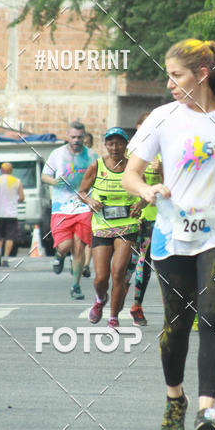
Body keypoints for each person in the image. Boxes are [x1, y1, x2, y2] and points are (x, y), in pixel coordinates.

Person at [123, 39, 215, 430]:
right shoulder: (162, 119)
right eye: (168, 75)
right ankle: (175, 398)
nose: (169, 84)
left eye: (176, 75)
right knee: (176, 324)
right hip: (173, 232)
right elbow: (131, 174)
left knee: (212, 315)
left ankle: (207, 412)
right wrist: (147, 191)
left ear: (202, 74)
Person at [79, 128, 142, 329]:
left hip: (127, 225)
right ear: (105, 145)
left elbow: (145, 191)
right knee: (101, 278)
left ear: (126, 145)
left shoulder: (133, 167)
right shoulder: (97, 166)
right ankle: (100, 299)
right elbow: (81, 191)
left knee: (118, 273)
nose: (115, 148)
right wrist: (90, 201)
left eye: (119, 143)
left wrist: (141, 203)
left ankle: (113, 318)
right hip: (102, 226)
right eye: (111, 144)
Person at [41, 121, 93, 300]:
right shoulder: (57, 154)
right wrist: (54, 181)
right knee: (65, 245)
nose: (76, 140)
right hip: (61, 207)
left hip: (83, 206)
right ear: (68, 136)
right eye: (73, 137)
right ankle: (60, 254)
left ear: (84, 137)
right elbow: (44, 176)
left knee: (79, 247)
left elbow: (98, 178)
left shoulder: (92, 156)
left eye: (79, 137)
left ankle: (75, 286)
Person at [129, 112, 162, 326]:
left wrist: (162, 170)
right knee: (142, 263)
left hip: (167, 216)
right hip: (141, 217)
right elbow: (127, 182)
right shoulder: (132, 152)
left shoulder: (166, 150)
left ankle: (183, 311)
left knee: (172, 266)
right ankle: (136, 305)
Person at [0, 162, 24, 265]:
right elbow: (21, 197)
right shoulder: (17, 181)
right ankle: (5, 258)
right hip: (11, 214)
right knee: (10, 237)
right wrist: (15, 200)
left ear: (1, 170)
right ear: (11, 171)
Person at [82, 131, 98, 278]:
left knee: (89, 237)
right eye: (83, 143)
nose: (85, 146)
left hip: (91, 203)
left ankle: (86, 264)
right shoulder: (72, 159)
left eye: (87, 143)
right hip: (72, 204)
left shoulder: (96, 160)